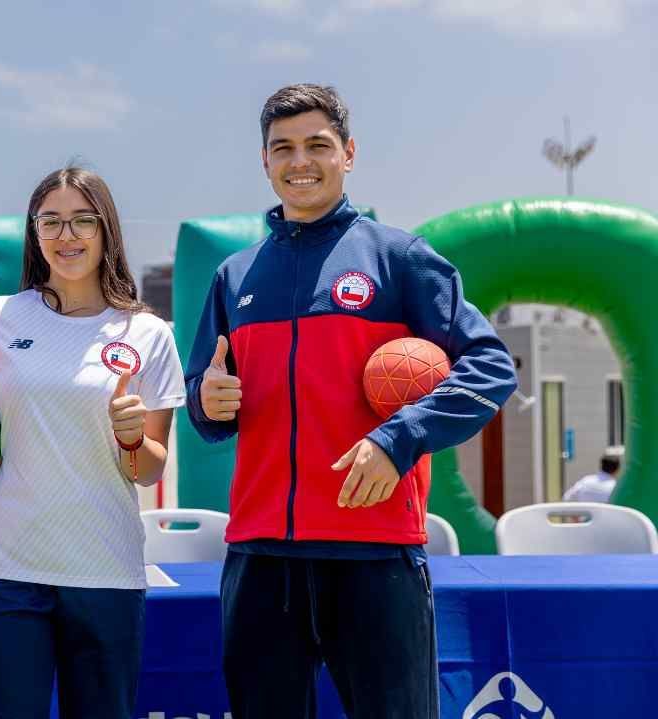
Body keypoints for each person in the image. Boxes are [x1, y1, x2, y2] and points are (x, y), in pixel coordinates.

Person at [184, 84, 518, 719]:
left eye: (318, 145)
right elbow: (205, 409)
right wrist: (208, 399)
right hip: (260, 558)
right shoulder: (234, 276)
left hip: (374, 551)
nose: (299, 161)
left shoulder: (400, 258)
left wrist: (400, 438)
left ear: (348, 154)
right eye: (282, 148)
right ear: (264, 161)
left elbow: (491, 366)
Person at [0, 166, 185, 719]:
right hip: (8, 574)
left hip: (105, 572)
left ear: (107, 231)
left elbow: (151, 469)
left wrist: (131, 440)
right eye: (50, 221)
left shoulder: (148, 333)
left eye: (83, 220)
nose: (66, 235)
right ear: (34, 233)